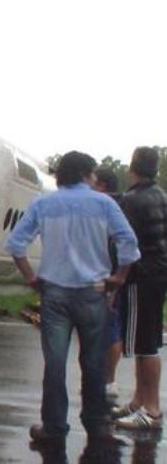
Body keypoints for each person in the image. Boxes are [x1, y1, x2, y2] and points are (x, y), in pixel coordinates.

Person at [5, 151, 140, 443]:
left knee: (54, 361)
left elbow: (15, 244)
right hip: (94, 292)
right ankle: (96, 421)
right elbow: (128, 242)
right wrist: (118, 278)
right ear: (85, 174)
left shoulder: (43, 202)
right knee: (93, 361)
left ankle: (53, 426)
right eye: (93, 174)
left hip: (54, 293)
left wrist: (31, 277)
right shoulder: (104, 203)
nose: (94, 178)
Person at [112, 147, 167, 430]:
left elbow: (124, 243)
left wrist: (115, 280)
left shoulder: (131, 201)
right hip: (158, 275)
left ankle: (152, 408)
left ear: (132, 167)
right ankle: (138, 401)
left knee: (146, 345)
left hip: (139, 277)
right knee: (147, 339)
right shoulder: (162, 196)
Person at [93, 168, 124, 401]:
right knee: (111, 328)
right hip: (119, 276)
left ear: (102, 185)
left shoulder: (107, 209)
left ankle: (108, 381)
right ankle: (107, 379)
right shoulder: (123, 205)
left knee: (110, 330)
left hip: (110, 277)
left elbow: (116, 246)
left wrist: (113, 279)